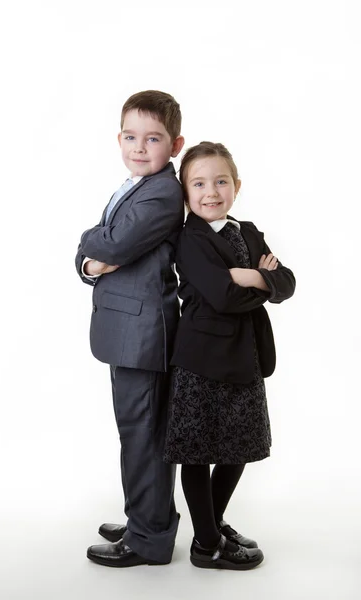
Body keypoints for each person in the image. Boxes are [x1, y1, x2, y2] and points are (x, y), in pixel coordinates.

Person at [163, 141, 296, 570]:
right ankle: (206, 545)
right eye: (198, 183)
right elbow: (221, 295)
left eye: (221, 181)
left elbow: (288, 282)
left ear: (236, 185)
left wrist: (250, 275)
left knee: (239, 447)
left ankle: (213, 523)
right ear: (186, 193)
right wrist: (264, 281)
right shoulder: (190, 240)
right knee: (199, 452)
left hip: (245, 359)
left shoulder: (249, 231)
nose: (211, 192)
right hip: (201, 362)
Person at [75, 90, 185, 567]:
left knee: (143, 435)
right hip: (129, 331)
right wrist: (91, 261)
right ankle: (146, 517)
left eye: (153, 138)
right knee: (139, 433)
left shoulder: (163, 191)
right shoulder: (139, 185)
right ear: (118, 137)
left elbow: (113, 244)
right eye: (130, 136)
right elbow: (101, 254)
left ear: (174, 145)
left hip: (143, 335)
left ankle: (149, 539)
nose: (139, 147)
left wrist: (88, 245)